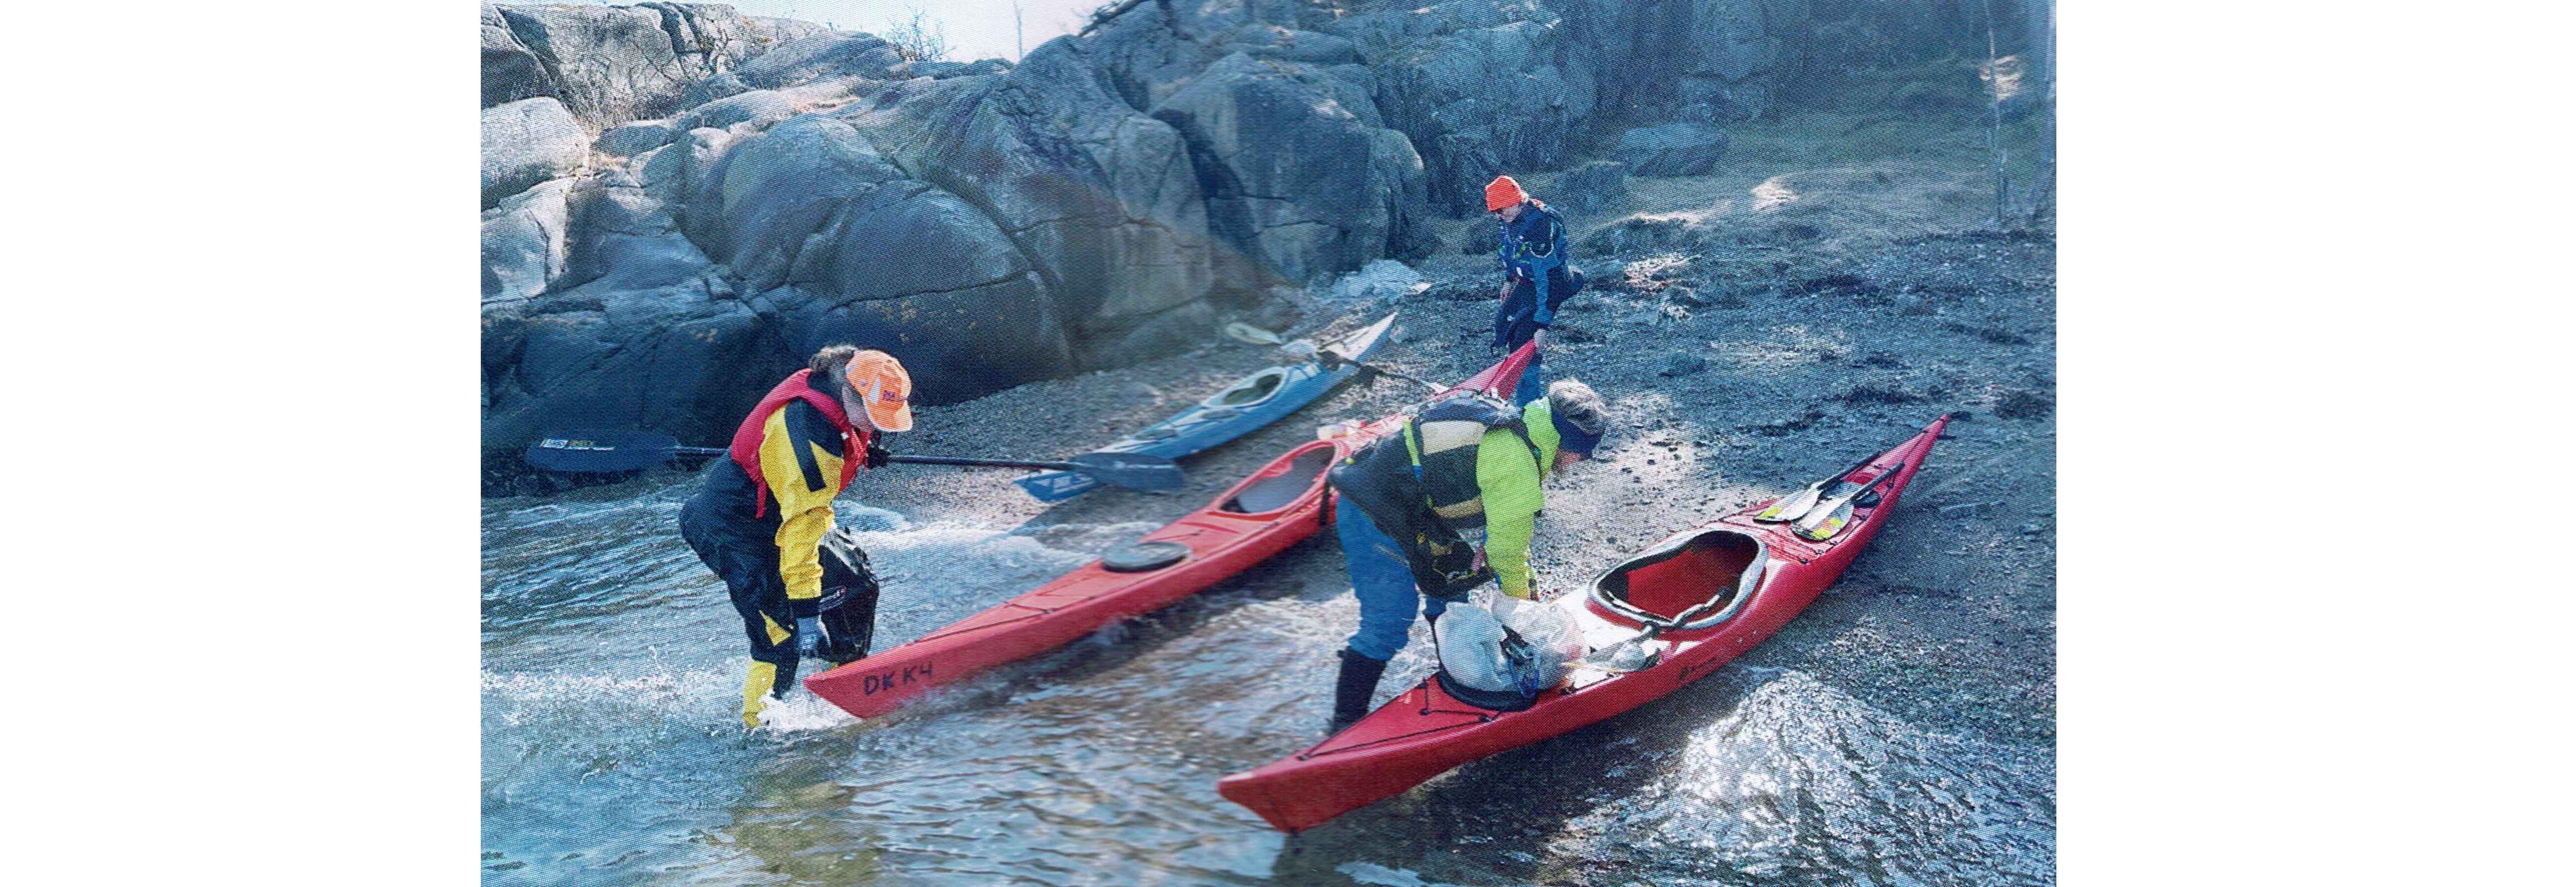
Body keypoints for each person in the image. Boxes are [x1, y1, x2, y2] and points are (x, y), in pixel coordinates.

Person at [1320, 377, 1612, 733]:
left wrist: (1506, 568)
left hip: (1411, 507)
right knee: (1388, 622)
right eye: (1584, 451)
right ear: (1569, 441)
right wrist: (1526, 616)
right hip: (1372, 512)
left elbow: (1503, 533)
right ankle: (1342, 727)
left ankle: (1455, 682)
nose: (1583, 460)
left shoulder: (1522, 430)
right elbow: (1508, 553)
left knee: (1453, 593)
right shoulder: (1517, 462)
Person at [678, 345, 913, 727]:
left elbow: (849, 426)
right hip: (735, 529)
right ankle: (758, 733)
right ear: (851, 393)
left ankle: (846, 684)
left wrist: (863, 446)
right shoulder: (809, 440)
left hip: (786, 511)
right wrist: (806, 614)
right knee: (780, 641)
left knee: (857, 588)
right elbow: (800, 535)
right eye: (872, 418)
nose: (877, 426)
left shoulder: (842, 372)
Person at [1487, 175, 1584, 406]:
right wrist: (1509, 280)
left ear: (1517, 201)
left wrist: (1543, 326)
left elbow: (1547, 280)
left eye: (1501, 210)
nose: (1499, 217)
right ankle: (1525, 397)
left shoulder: (1542, 226)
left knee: (1527, 344)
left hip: (1552, 282)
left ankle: (1528, 406)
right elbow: (1512, 253)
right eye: (1495, 212)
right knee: (1506, 328)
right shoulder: (1511, 219)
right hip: (1526, 283)